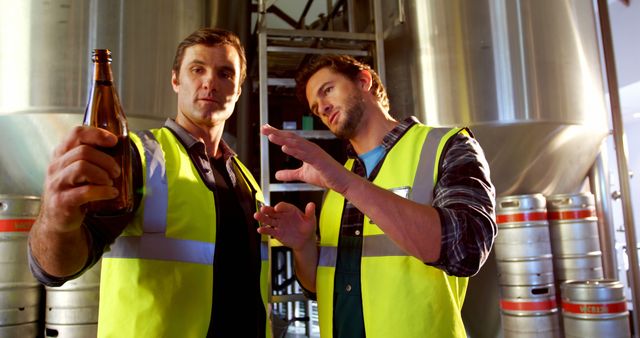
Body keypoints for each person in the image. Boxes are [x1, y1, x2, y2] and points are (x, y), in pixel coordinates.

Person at [28, 28, 270, 338]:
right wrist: (56, 221)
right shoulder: (136, 157)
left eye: (225, 73)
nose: (210, 81)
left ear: (238, 90)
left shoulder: (245, 179)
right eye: (197, 69)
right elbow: (57, 268)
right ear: (175, 80)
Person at [254, 55, 497, 338]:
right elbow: (319, 288)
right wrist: (303, 246)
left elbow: (466, 250)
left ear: (363, 81)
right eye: (316, 107)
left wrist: (348, 184)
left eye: (328, 90)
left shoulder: (446, 146)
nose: (323, 107)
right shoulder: (338, 177)